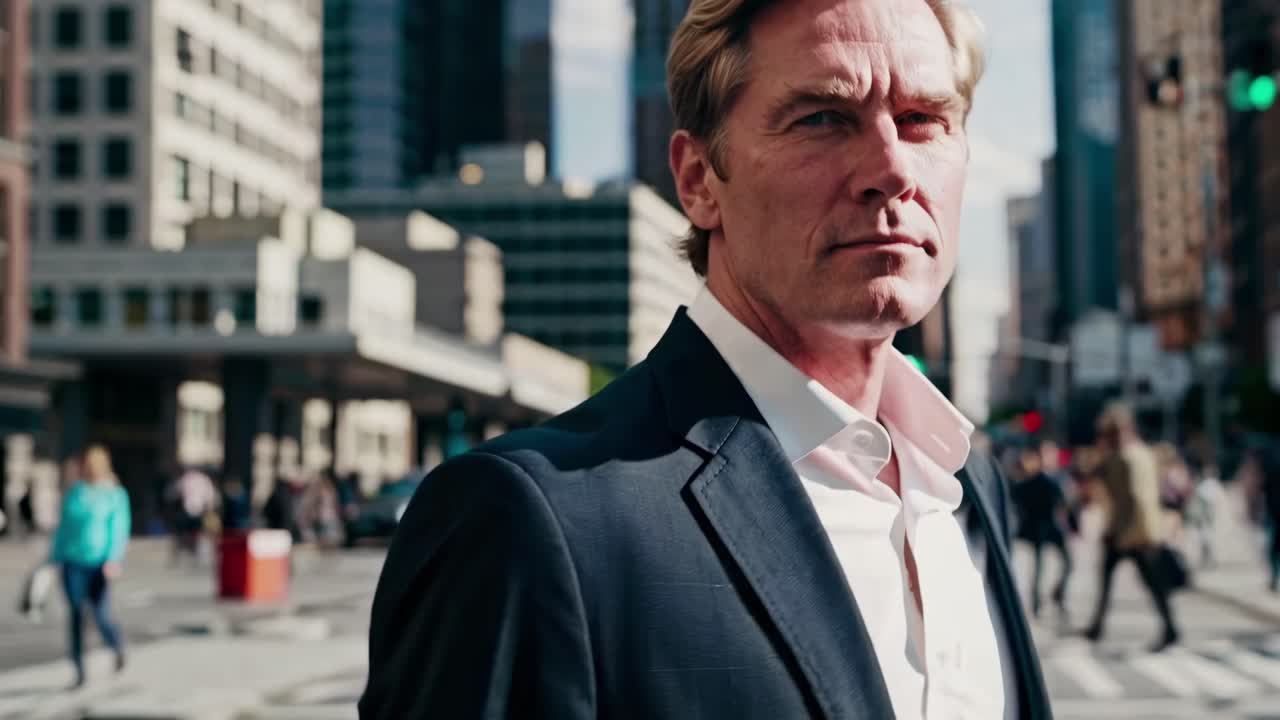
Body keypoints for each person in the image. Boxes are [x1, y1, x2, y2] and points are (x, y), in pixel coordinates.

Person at [360, 1, 1050, 718]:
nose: (891, 167)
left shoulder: (967, 482)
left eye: (923, 120)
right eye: (822, 119)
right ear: (698, 181)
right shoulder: (524, 523)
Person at [1084, 404, 1181, 652]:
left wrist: (1123, 533)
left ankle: (1169, 628)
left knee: (1149, 582)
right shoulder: (1142, 453)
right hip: (1139, 529)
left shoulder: (1124, 457)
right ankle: (1099, 626)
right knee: (1146, 582)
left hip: (1132, 532)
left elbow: (1135, 497)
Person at [48, 446, 130, 688]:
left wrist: (114, 558)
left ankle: (115, 644)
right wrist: (53, 558)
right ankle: (79, 669)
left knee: (100, 614)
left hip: (99, 563)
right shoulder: (75, 492)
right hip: (72, 562)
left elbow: (119, 528)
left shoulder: (114, 494)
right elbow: (63, 528)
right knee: (75, 613)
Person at [1011, 442, 1073, 621]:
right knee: (1039, 568)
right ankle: (1037, 604)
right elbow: (1016, 498)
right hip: (1038, 528)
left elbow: (1066, 505)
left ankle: (1057, 594)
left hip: (1053, 527)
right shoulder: (1032, 479)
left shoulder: (1057, 478)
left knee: (1068, 563)